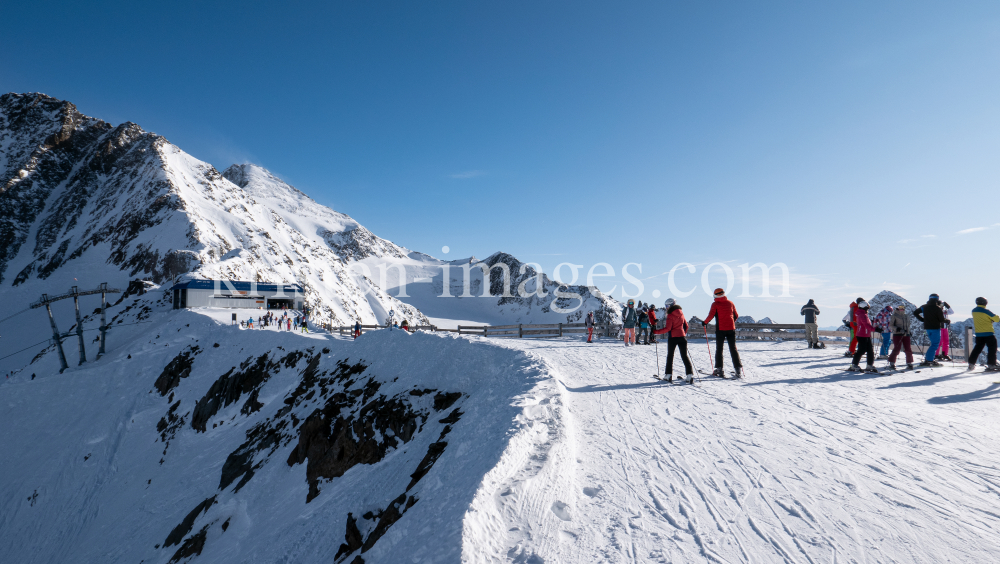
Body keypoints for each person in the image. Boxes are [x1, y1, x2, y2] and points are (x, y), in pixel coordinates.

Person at [704, 288, 742, 378]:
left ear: (716, 295)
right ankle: (738, 369)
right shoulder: (730, 303)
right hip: (731, 329)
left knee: (719, 349)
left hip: (720, 329)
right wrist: (731, 322)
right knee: (733, 349)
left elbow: (711, 316)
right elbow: (736, 315)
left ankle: (719, 369)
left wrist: (704, 322)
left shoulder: (715, 304)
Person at [653, 302, 694, 383]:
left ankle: (668, 375)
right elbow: (686, 325)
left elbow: (668, 328)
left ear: (671, 305)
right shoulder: (681, 313)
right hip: (682, 338)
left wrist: (656, 332)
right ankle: (689, 375)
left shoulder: (670, 315)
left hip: (673, 338)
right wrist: (683, 334)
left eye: (667, 305)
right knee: (685, 356)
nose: (666, 307)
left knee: (670, 356)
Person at [912, 294, 945, 366]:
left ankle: (929, 359)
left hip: (927, 328)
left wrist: (922, 319)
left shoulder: (924, 307)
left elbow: (915, 313)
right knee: (935, 344)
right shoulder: (937, 308)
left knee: (933, 344)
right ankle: (929, 360)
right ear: (937, 300)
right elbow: (942, 319)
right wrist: (947, 320)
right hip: (935, 328)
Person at [969, 297, 999, 371]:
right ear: (985, 303)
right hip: (988, 333)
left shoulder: (974, 311)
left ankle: (971, 364)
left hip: (979, 334)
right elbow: (997, 319)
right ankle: (991, 364)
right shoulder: (986, 311)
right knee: (992, 349)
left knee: (977, 349)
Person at [848, 300, 878, 373]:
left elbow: (867, 324)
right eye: (867, 308)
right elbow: (866, 325)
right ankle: (854, 364)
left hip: (866, 335)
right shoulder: (862, 315)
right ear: (865, 308)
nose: (868, 309)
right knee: (862, 350)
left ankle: (869, 365)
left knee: (870, 350)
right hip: (862, 335)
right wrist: (875, 329)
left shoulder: (863, 314)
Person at [887, 304, 915, 370]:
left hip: (906, 334)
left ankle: (909, 363)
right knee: (897, 348)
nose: (902, 309)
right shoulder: (894, 316)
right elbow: (891, 325)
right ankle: (892, 362)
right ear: (897, 308)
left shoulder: (906, 316)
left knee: (908, 349)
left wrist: (909, 331)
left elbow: (908, 325)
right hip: (898, 334)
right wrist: (898, 329)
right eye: (900, 307)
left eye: (903, 307)